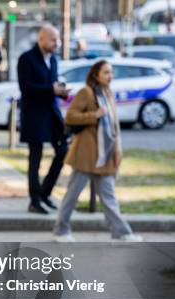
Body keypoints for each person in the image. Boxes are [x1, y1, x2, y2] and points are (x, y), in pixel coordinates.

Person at [53, 60, 143, 242]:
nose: (110, 76)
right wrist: (94, 115)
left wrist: (118, 149)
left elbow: (114, 126)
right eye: (106, 73)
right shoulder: (86, 92)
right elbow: (70, 116)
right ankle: (61, 230)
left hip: (105, 155)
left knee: (109, 197)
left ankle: (122, 232)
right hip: (86, 154)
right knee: (72, 196)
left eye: (111, 73)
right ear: (96, 75)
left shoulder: (108, 93)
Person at [17, 24, 69, 214]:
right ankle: (35, 200)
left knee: (63, 150)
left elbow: (51, 85)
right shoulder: (27, 59)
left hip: (52, 114)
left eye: (58, 39)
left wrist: (61, 93)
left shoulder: (53, 60)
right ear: (42, 39)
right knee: (35, 158)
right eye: (54, 39)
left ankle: (45, 193)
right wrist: (51, 90)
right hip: (34, 116)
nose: (58, 43)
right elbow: (26, 87)